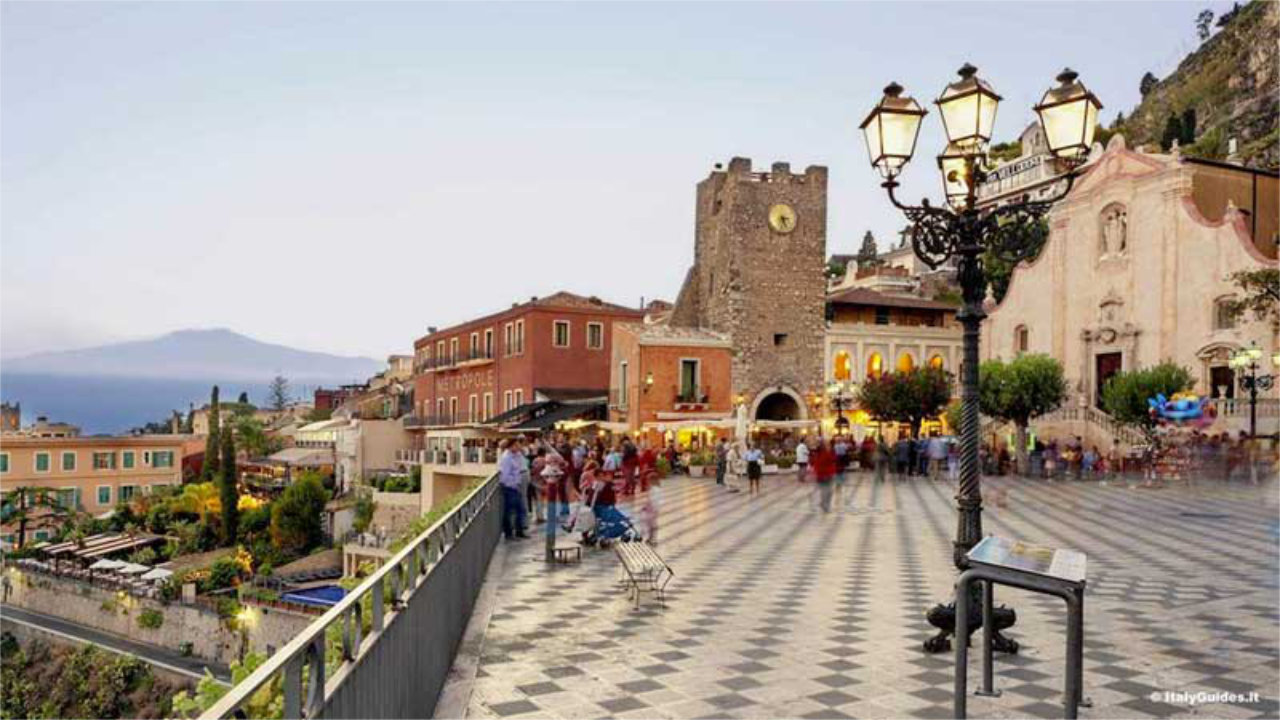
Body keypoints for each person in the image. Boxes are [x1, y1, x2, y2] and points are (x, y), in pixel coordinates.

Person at [498, 440, 529, 540]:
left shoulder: (516, 456)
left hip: (516, 486)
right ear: (511, 446)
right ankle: (509, 533)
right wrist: (511, 484)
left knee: (519, 509)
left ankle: (519, 531)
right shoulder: (506, 458)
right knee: (510, 511)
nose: (518, 446)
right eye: (516, 445)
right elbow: (505, 475)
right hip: (510, 487)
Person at [811, 440, 837, 513]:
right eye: (828, 445)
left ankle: (824, 505)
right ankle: (825, 506)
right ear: (824, 447)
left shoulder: (817, 454)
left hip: (822, 475)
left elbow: (815, 464)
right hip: (826, 475)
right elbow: (833, 460)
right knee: (828, 492)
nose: (830, 446)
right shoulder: (825, 454)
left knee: (825, 491)